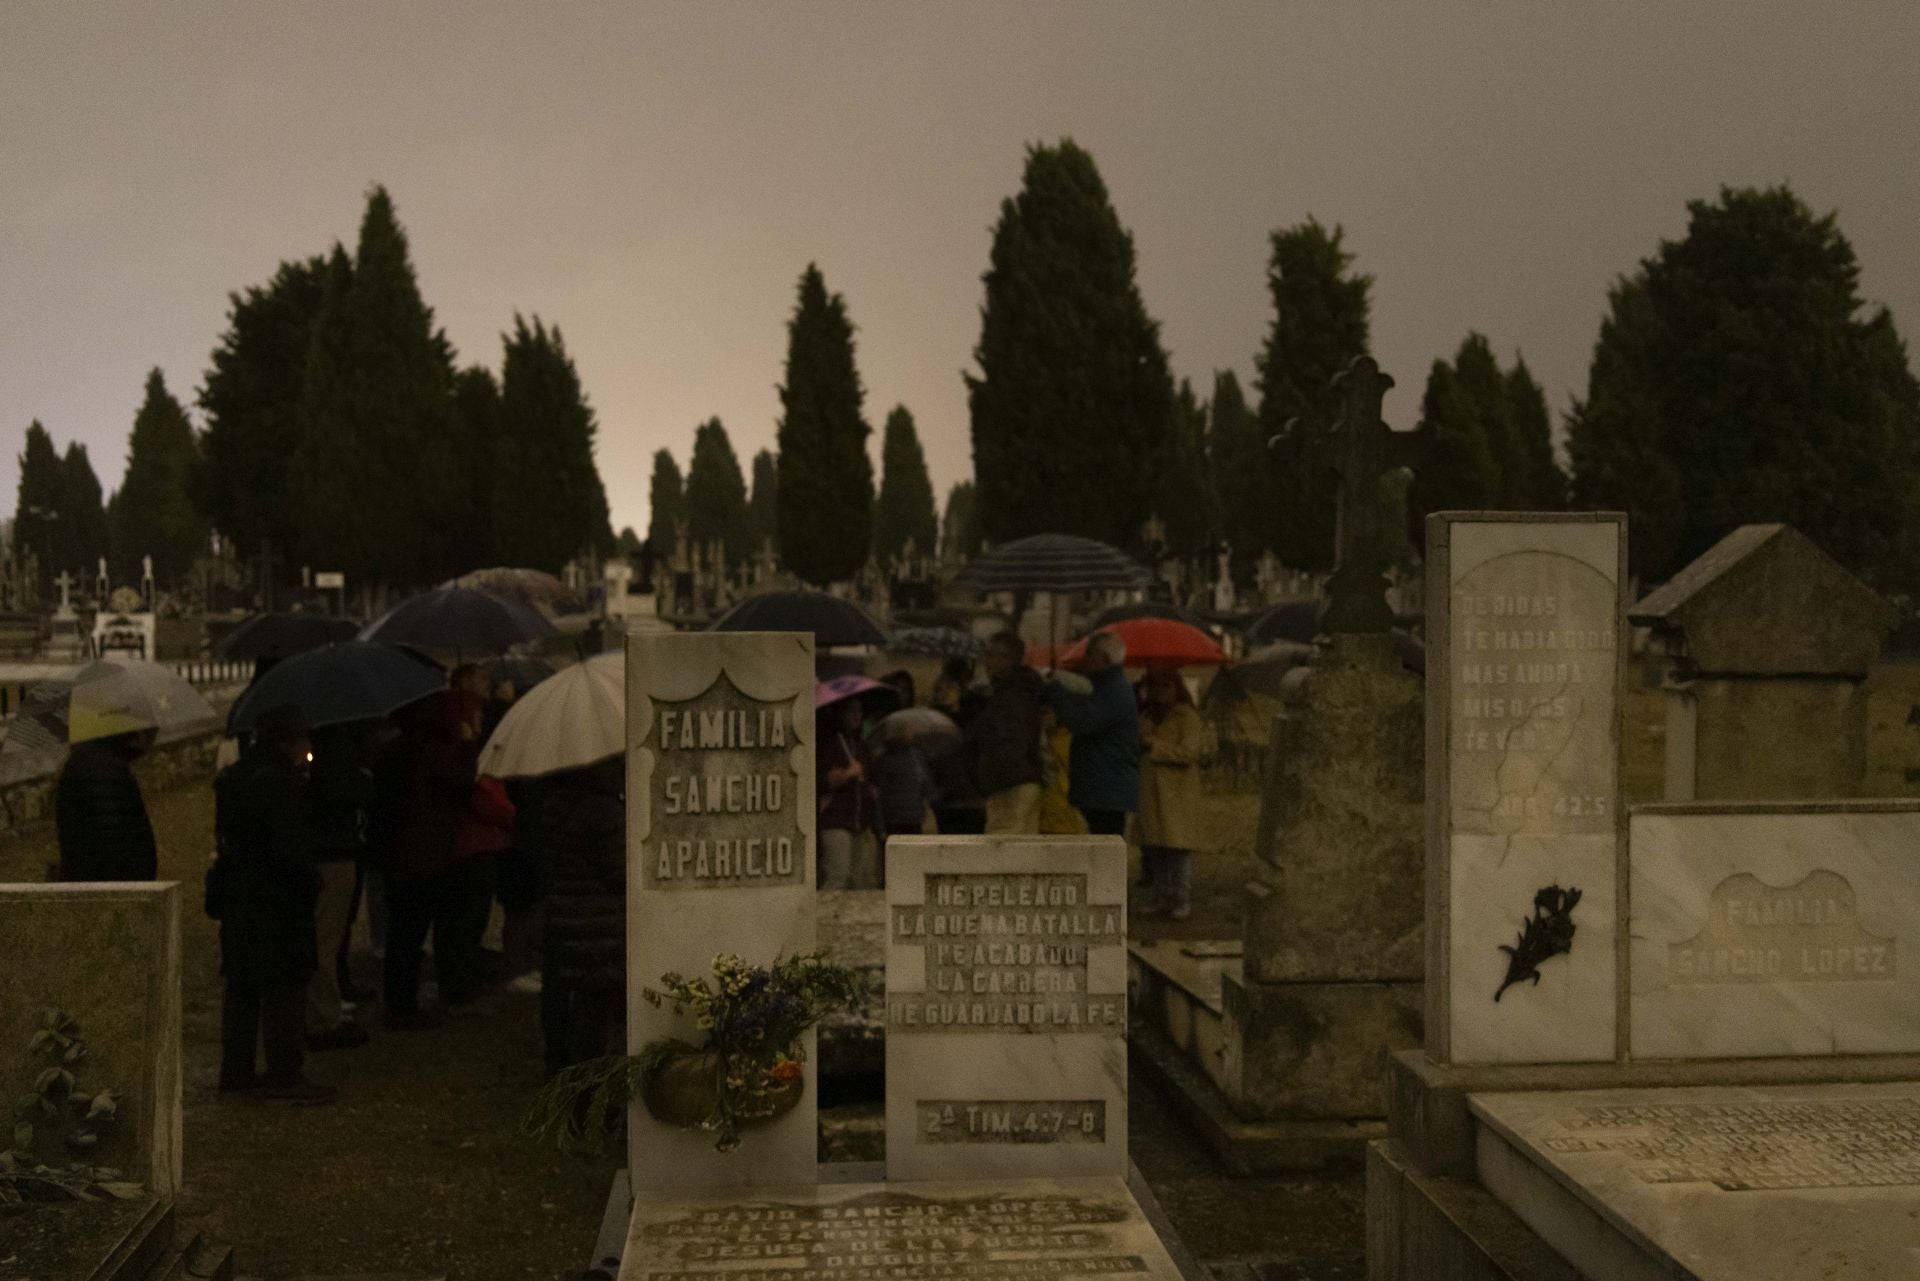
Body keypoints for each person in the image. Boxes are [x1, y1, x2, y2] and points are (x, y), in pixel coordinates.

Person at [215, 705, 333, 1102]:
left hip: (240, 896)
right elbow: (288, 847)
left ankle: (237, 1073)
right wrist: (311, 880)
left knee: (243, 987)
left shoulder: (235, 778)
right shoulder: (277, 784)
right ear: (289, 741)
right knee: (285, 984)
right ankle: (284, 1073)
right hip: (277, 901)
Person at [375, 691, 473, 1029]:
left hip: (397, 854)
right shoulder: (431, 753)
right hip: (425, 855)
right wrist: (468, 744)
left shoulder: (390, 752)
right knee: (413, 933)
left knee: (401, 934)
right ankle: (404, 1007)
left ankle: (398, 1001)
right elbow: (463, 781)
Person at [538, 756, 625, 1076]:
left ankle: (556, 1061)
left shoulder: (552, 803)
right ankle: (586, 1079)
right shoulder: (605, 811)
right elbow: (619, 872)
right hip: (597, 922)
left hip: (561, 915)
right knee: (596, 1001)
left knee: (558, 990)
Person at [304, 722, 376, 1050]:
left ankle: (326, 1006)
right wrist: (364, 777)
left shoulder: (320, 749)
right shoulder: (333, 750)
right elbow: (345, 792)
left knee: (326, 937)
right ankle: (323, 1016)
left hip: (327, 849)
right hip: (333, 851)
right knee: (325, 939)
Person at [1048, 630, 1141, 837]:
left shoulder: (1114, 691)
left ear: (1104, 659)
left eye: (1089, 654)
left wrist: (1057, 694)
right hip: (1103, 786)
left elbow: (1083, 721)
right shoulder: (1108, 688)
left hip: (1106, 789)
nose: (1085, 660)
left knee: (1106, 848)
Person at [1136, 664, 1209, 919]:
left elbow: (1189, 752)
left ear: (1177, 688)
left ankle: (1180, 897)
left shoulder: (1187, 717)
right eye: (1155, 686)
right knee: (1155, 846)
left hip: (1176, 792)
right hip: (1151, 790)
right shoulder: (1147, 716)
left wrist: (1154, 744)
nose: (1160, 692)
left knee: (1177, 848)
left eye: (1166, 685)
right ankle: (1161, 895)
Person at [55, 728, 159, 881]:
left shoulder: (102, 761)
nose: (152, 737)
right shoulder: (102, 768)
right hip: (107, 887)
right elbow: (112, 840)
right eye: (150, 732)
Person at [969, 632, 1047, 834]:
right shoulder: (1018, 692)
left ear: (1007, 659)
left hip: (1011, 786)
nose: (986, 661)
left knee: (1004, 854)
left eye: (991, 655)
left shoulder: (1011, 697)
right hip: (1021, 780)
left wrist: (991, 776)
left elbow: (1011, 743)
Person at [817, 694, 873, 890]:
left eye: (860, 711)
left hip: (857, 821)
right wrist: (847, 773)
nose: (857, 716)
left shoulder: (859, 744)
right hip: (835, 819)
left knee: (855, 879)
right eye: (851, 710)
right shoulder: (829, 743)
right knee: (837, 875)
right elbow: (822, 779)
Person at [927, 658, 986, 834]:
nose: (943, 693)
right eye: (939, 689)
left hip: (972, 795)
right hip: (945, 797)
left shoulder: (974, 715)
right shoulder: (933, 720)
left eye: (949, 688)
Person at [869, 717, 934, 857]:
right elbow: (878, 794)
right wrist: (879, 826)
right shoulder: (884, 759)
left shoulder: (917, 756)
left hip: (914, 818)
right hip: (893, 820)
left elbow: (926, 785)